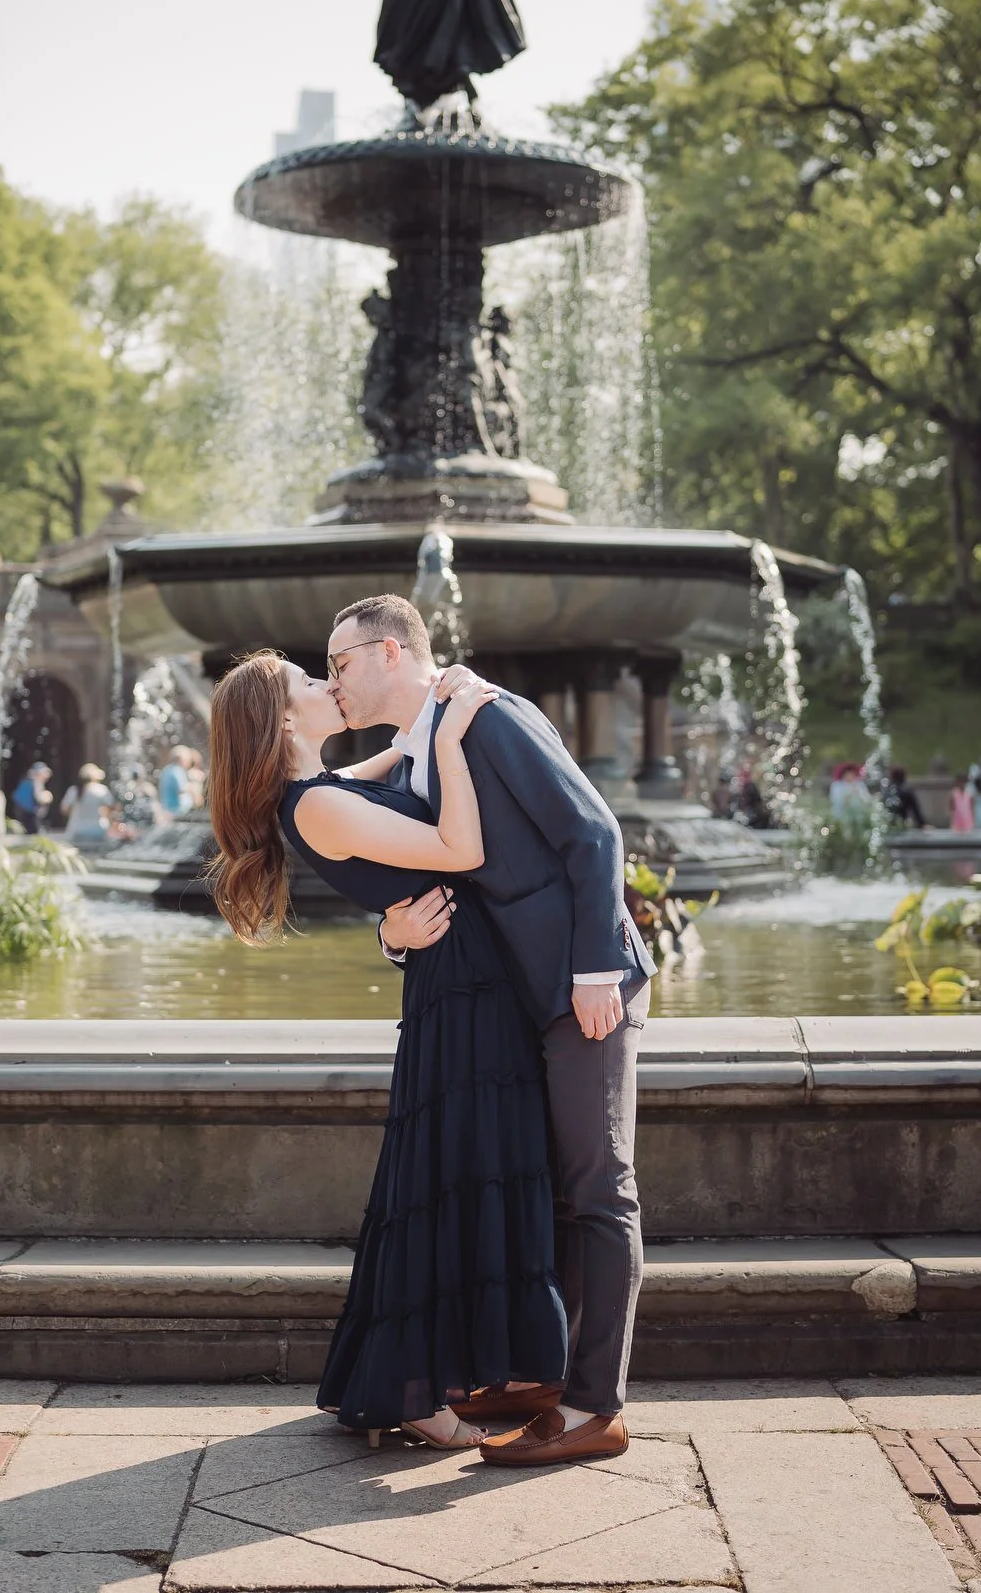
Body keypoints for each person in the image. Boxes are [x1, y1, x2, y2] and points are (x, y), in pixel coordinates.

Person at [207, 650, 568, 1452]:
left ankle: (457, 1373)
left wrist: (435, 709)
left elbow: (393, 759)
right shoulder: (317, 806)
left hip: (461, 981)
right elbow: (460, 849)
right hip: (460, 995)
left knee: (456, 1177)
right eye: (309, 683)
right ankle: (418, 1391)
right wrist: (452, 734)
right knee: (444, 1183)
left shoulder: (319, 791)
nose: (325, 685)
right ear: (284, 721)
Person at [329, 594, 655, 1468]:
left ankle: (597, 1408)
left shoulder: (490, 716)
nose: (334, 684)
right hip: (518, 1000)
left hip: (585, 990)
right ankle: (546, 1377)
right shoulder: (420, 753)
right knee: (552, 1193)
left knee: (599, 1191)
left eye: (341, 663)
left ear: (391, 651)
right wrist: (392, 936)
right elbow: (435, 881)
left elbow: (594, 832)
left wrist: (595, 970)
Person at [60, 763, 114, 848]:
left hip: (77, 829)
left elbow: (64, 809)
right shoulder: (101, 789)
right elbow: (110, 808)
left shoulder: (73, 790)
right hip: (98, 829)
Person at [10, 762, 53, 834]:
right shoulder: (36, 782)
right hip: (29, 813)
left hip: (20, 810)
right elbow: (39, 798)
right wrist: (47, 797)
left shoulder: (26, 780)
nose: (47, 777)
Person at [883, 766, 928, 830]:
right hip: (902, 823)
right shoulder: (906, 791)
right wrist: (923, 824)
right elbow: (916, 810)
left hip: (887, 825)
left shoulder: (887, 792)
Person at [157, 747, 193, 819]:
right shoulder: (177, 770)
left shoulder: (167, 769)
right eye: (188, 760)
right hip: (177, 811)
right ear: (181, 759)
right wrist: (192, 787)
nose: (189, 763)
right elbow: (181, 789)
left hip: (167, 809)